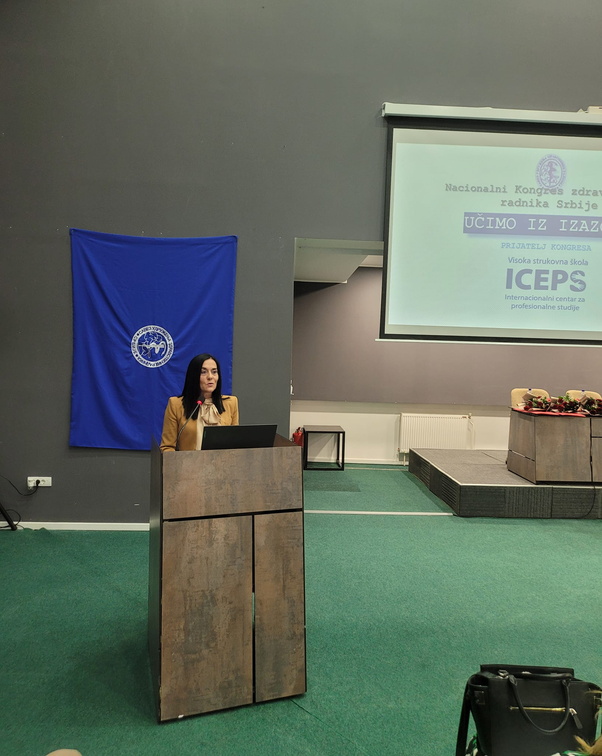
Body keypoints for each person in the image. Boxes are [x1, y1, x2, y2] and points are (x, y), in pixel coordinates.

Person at [160, 353, 238, 452]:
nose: (210, 377)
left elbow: (234, 444)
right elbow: (167, 447)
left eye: (214, 372)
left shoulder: (231, 403)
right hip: (188, 461)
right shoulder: (176, 404)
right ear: (194, 376)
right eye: (203, 372)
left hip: (222, 461)